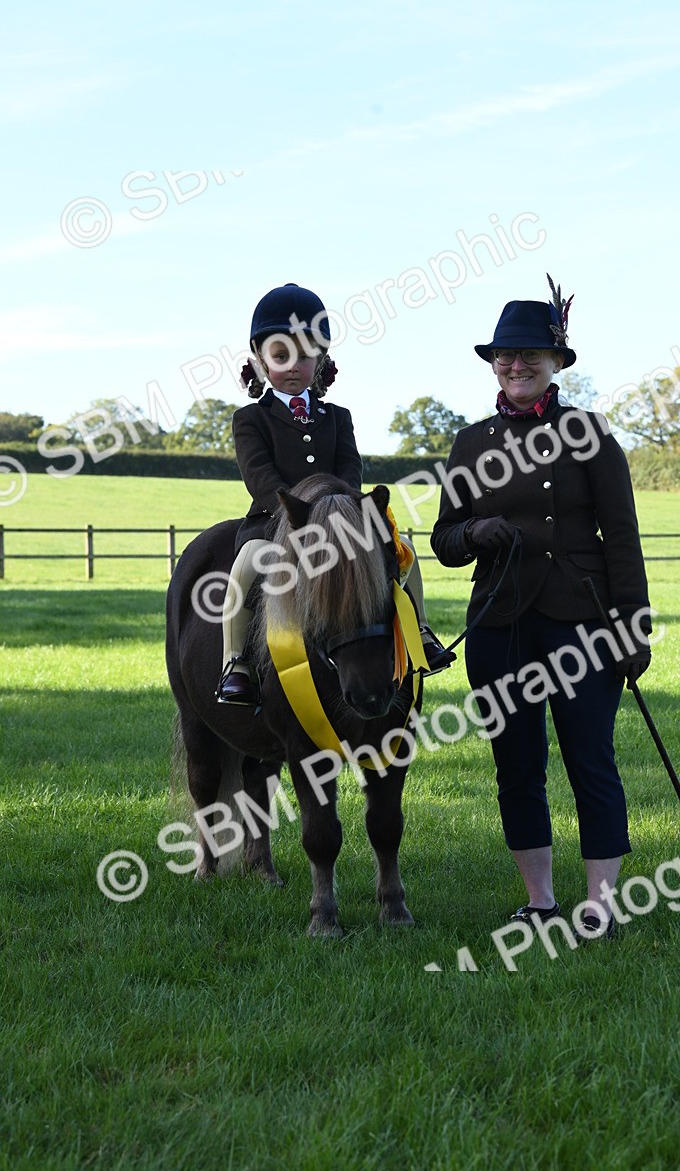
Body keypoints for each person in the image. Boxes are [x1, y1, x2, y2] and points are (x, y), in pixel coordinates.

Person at [430, 277, 652, 938]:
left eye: (530, 355)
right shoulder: (470, 443)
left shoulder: (587, 434)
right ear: (493, 364)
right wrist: (472, 534)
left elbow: (624, 534)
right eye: (505, 356)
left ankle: (601, 908)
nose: (516, 365)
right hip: (500, 625)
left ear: (556, 362)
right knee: (516, 764)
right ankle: (540, 902)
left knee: (591, 759)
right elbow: (443, 539)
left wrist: (632, 625)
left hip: (583, 621)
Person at [217, 282, 454, 705]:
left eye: (305, 356)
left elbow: (350, 470)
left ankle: (419, 634)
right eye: (280, 356)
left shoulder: (338, 417)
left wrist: (340, 511)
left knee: (403, 552)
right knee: (245, 564)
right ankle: (236, 662)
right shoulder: (250, 419)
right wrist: (297, 516)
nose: (293, 366)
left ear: (321, 360)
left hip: (341, 521)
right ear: (260, 360)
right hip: (276, 524)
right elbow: (260, 476)